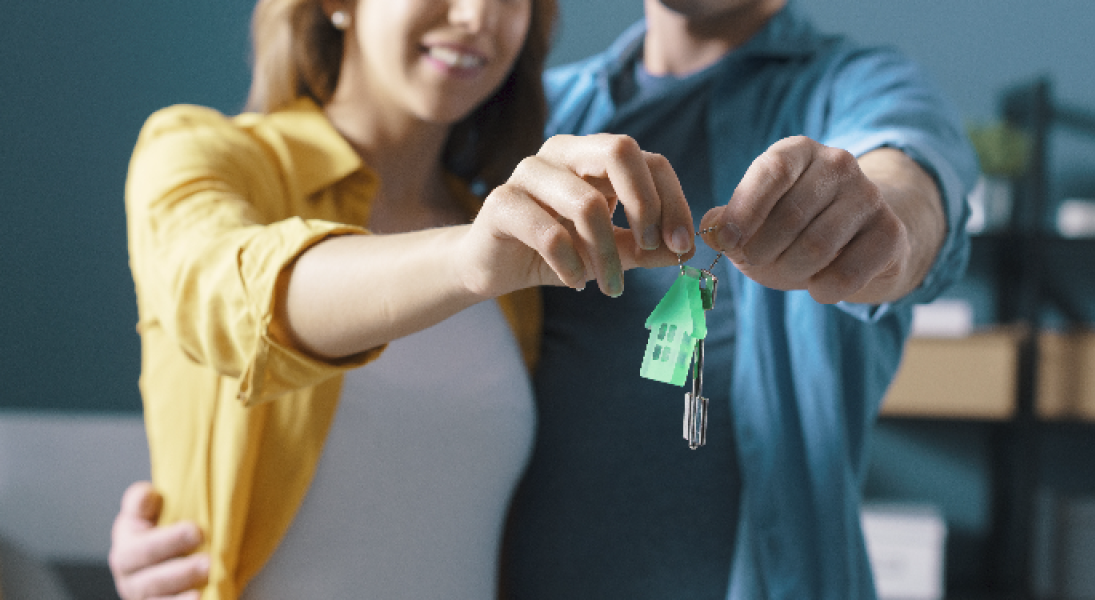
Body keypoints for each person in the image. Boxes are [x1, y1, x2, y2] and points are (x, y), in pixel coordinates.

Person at [111, 0, 979, 598]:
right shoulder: (524, 157)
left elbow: (908, 183)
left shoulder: (853, 91)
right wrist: (189, 512)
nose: (478, 17)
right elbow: (225, 296)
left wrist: (887, 222)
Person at [113, 0, 698, 597]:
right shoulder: (199, 155)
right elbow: (231, 296)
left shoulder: (520, 251)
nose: (477, 16)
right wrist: (468, 261)